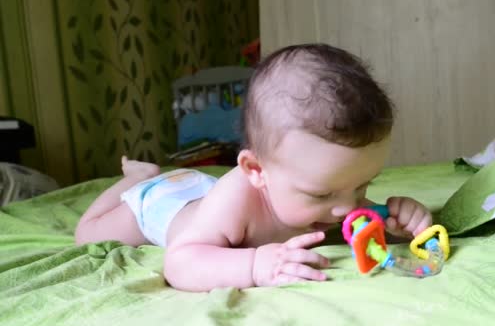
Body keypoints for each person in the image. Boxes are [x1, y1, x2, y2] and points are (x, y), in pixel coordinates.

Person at [75, 43, 432, 292]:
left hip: (201, 190)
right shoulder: (237, 199)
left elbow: (359, 220)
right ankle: (138, 177)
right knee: (87, 235)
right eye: (322, 193)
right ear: (256, 170)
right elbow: (179, 263)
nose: (348, 208)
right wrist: (255, 266)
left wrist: (397, 222)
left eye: (362, 186)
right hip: (164, 204)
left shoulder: (336, 196)